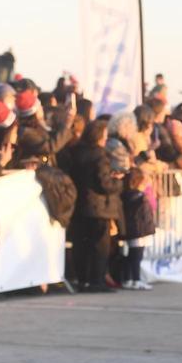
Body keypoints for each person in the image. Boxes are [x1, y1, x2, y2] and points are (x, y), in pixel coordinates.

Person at [66, 119, 123, 291]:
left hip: (80, 205)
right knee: (100, 247)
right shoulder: (99, 155)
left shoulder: (75, 152)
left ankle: (82, 279)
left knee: (81, 246)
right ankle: (96, 281)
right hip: (99, 207)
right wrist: (117, 182)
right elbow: (104, 184)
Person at [120, 167, 156, 290]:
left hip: (137, 229)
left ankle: (129, 279)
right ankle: (135, 279)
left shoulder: (130, 195)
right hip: (139, 230)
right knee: (136, 256)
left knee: (133, 255)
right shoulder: (136, 196)